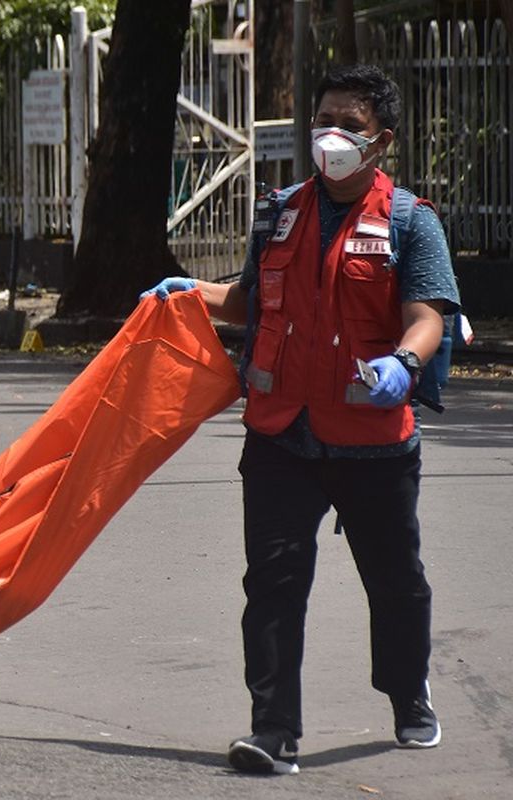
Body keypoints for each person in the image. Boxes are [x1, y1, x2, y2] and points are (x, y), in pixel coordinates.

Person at [144, 64, 459, 775]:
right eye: (324, 119)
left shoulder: (411, 220)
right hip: (282, 434)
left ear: (382, 142)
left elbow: (428, 314)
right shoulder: (279, 210)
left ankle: (409, 694)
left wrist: (403, 365)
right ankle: (273, 732)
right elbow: (253, 300)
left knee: (396, 581)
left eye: (350, 124)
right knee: (274, 583)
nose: (332, 135)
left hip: (373, 442)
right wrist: (190, 293)